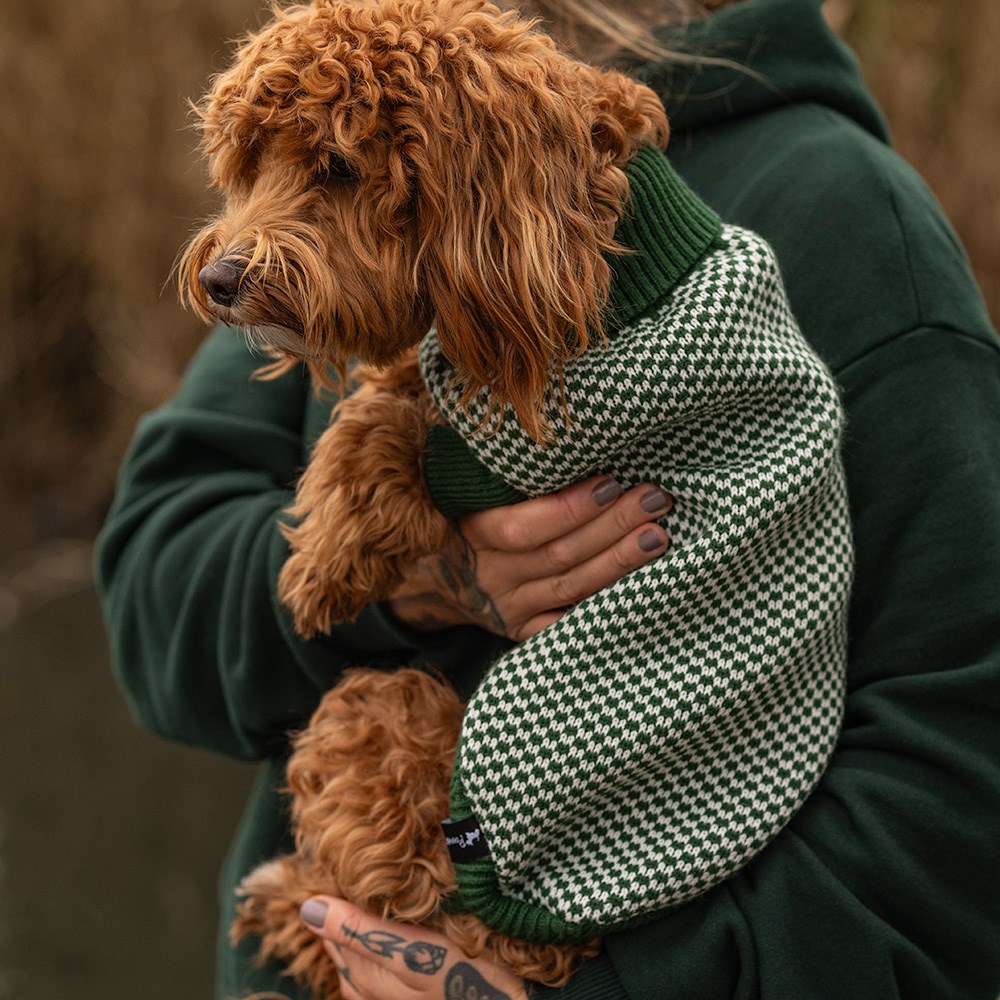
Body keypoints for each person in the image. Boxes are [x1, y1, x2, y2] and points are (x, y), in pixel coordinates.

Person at [95, 0, 1000, 997]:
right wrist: (424, 578)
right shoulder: (338, 161)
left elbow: (950, 796)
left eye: (334, 176)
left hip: (589, 900)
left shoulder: (850, 220)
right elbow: (151, 578)